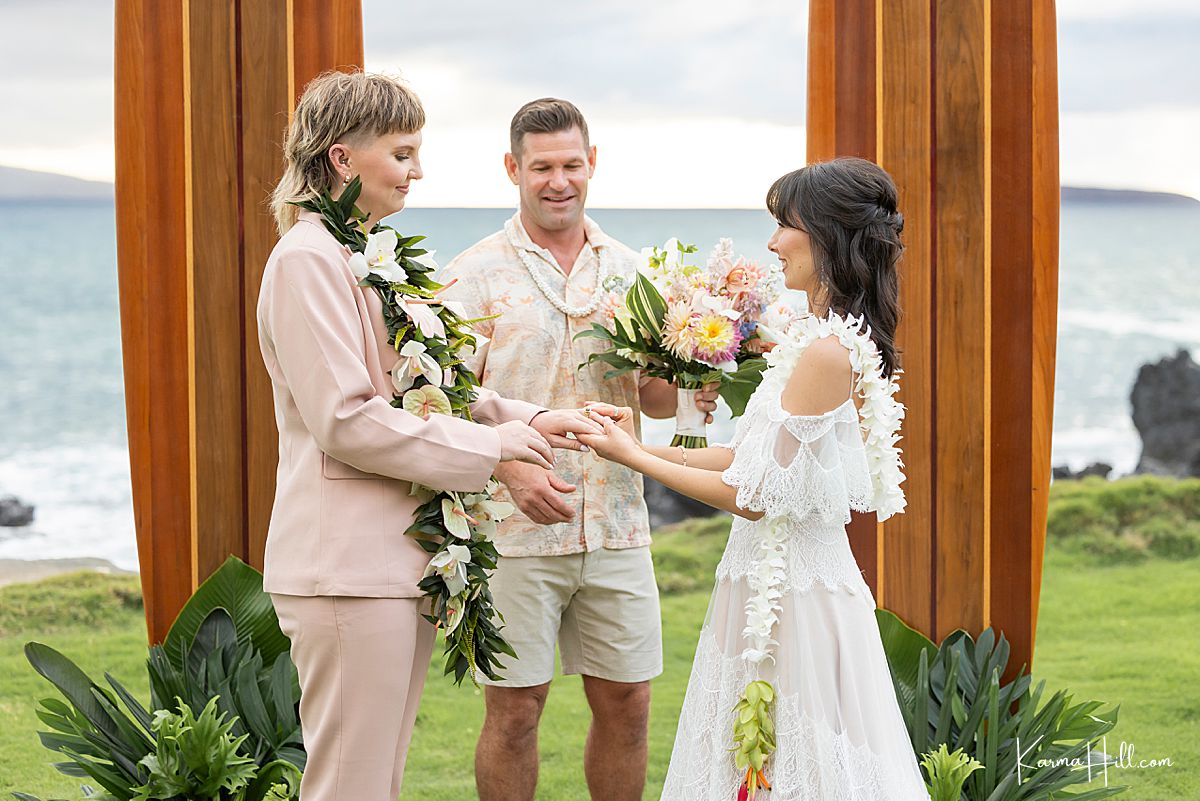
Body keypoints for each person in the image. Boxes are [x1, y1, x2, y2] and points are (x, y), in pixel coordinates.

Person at [256, 72, 606, 801]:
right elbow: (346, 418)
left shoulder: (359, 252)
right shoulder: (308, 260)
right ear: (343, 159)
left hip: (384, 564)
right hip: (343, 567)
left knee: (373, 779)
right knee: (350, 783)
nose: (418, 171)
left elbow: (424, 388)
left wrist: (528, 419)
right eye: (403, 153)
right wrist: (492, 452)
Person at [578, 158, 931, 799]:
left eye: (783, 225)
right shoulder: (811, 340)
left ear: (825, 234)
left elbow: (751, 497)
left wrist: (631, 460)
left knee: (805, 763)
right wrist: (635, 442)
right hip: (765, 581)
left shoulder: (826, 353)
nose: (772, 244)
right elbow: (744, 462)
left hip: (797, 594)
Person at [438, 98, 719, 801]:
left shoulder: (633, 271)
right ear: (513, 169)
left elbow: (652, 395)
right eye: (541, 167)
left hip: (620, 524)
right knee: (514, 711)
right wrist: (501, 461)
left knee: (629, 705)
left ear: (592, 163)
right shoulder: (469, 276)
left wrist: (695, 384)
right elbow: (438, 400)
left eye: (570, 164)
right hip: (513, 528)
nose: (557, 180)